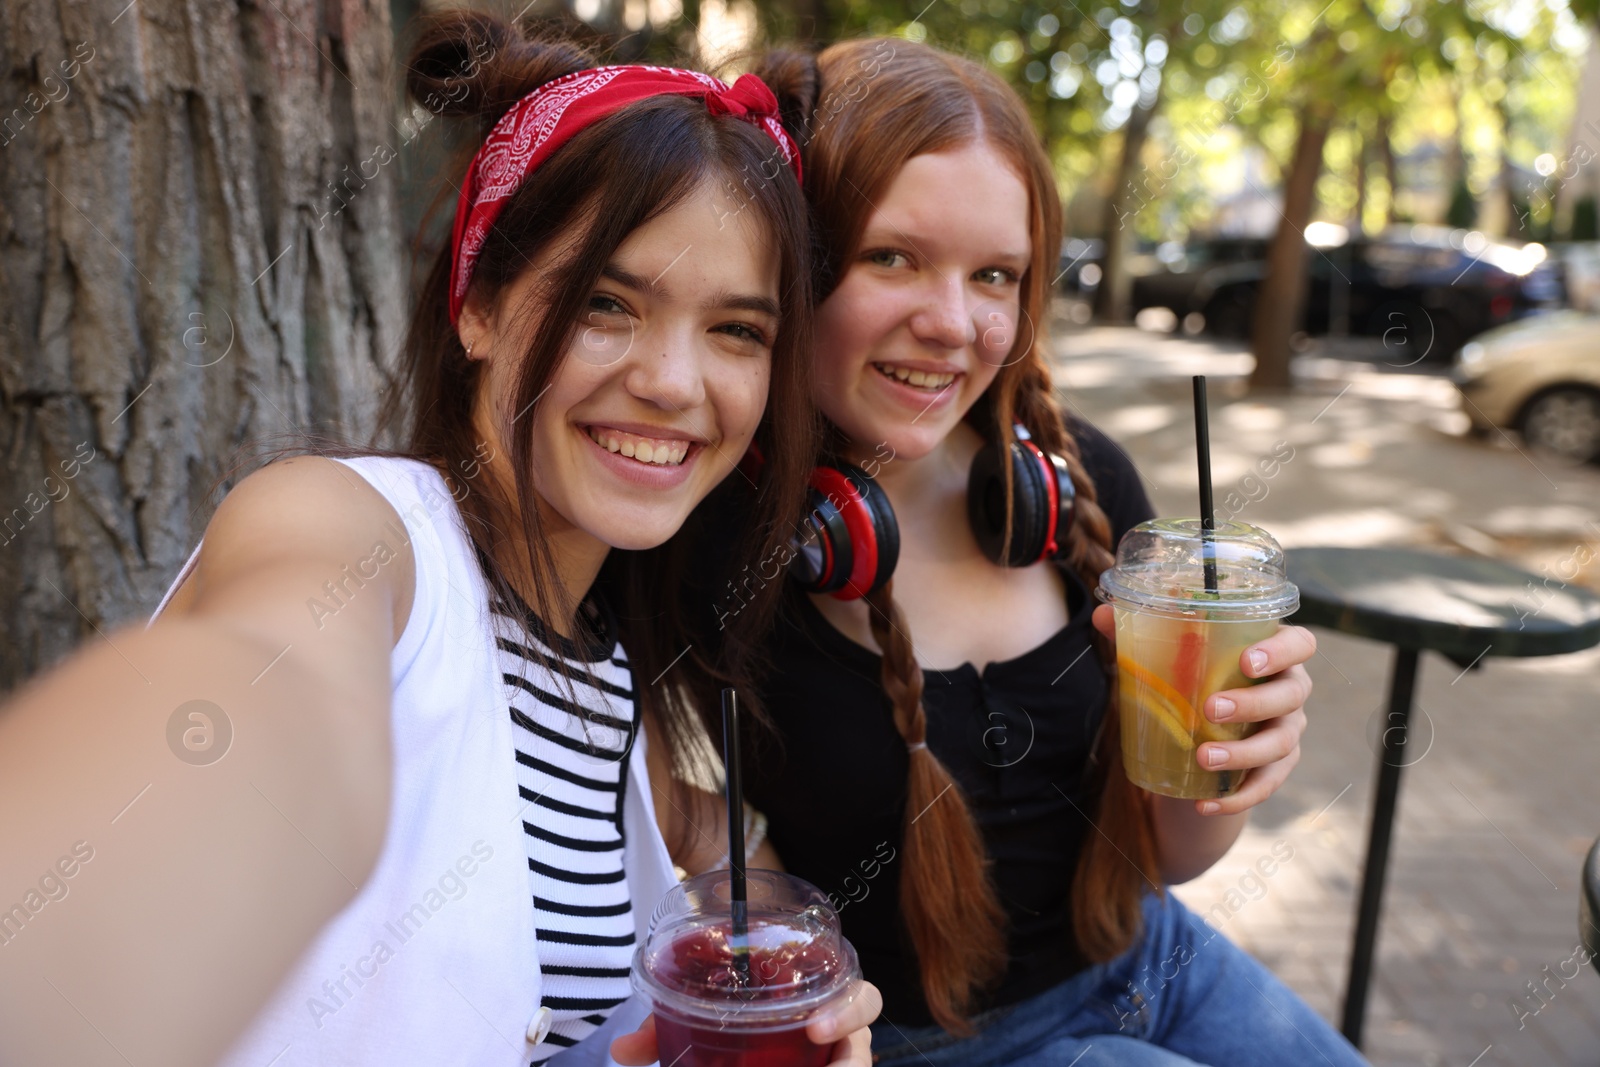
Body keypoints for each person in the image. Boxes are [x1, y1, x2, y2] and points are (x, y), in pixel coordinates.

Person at [0, 12, 880, 1067]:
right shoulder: (349, 534)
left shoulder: (613, 694)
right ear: (478, 305)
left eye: (736, 329)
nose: (674, 382)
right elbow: (269, 720)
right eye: (607, 303)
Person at [675, 37, 1368, 1066]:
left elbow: (1172, 857)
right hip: (924, 1041)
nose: (952, 322)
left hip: (1151, 956)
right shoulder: (703, 536)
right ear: (792, 258)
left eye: (994, 274)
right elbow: (661, 805)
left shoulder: (1083, 480)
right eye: (892, 256)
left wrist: (1229, 766)